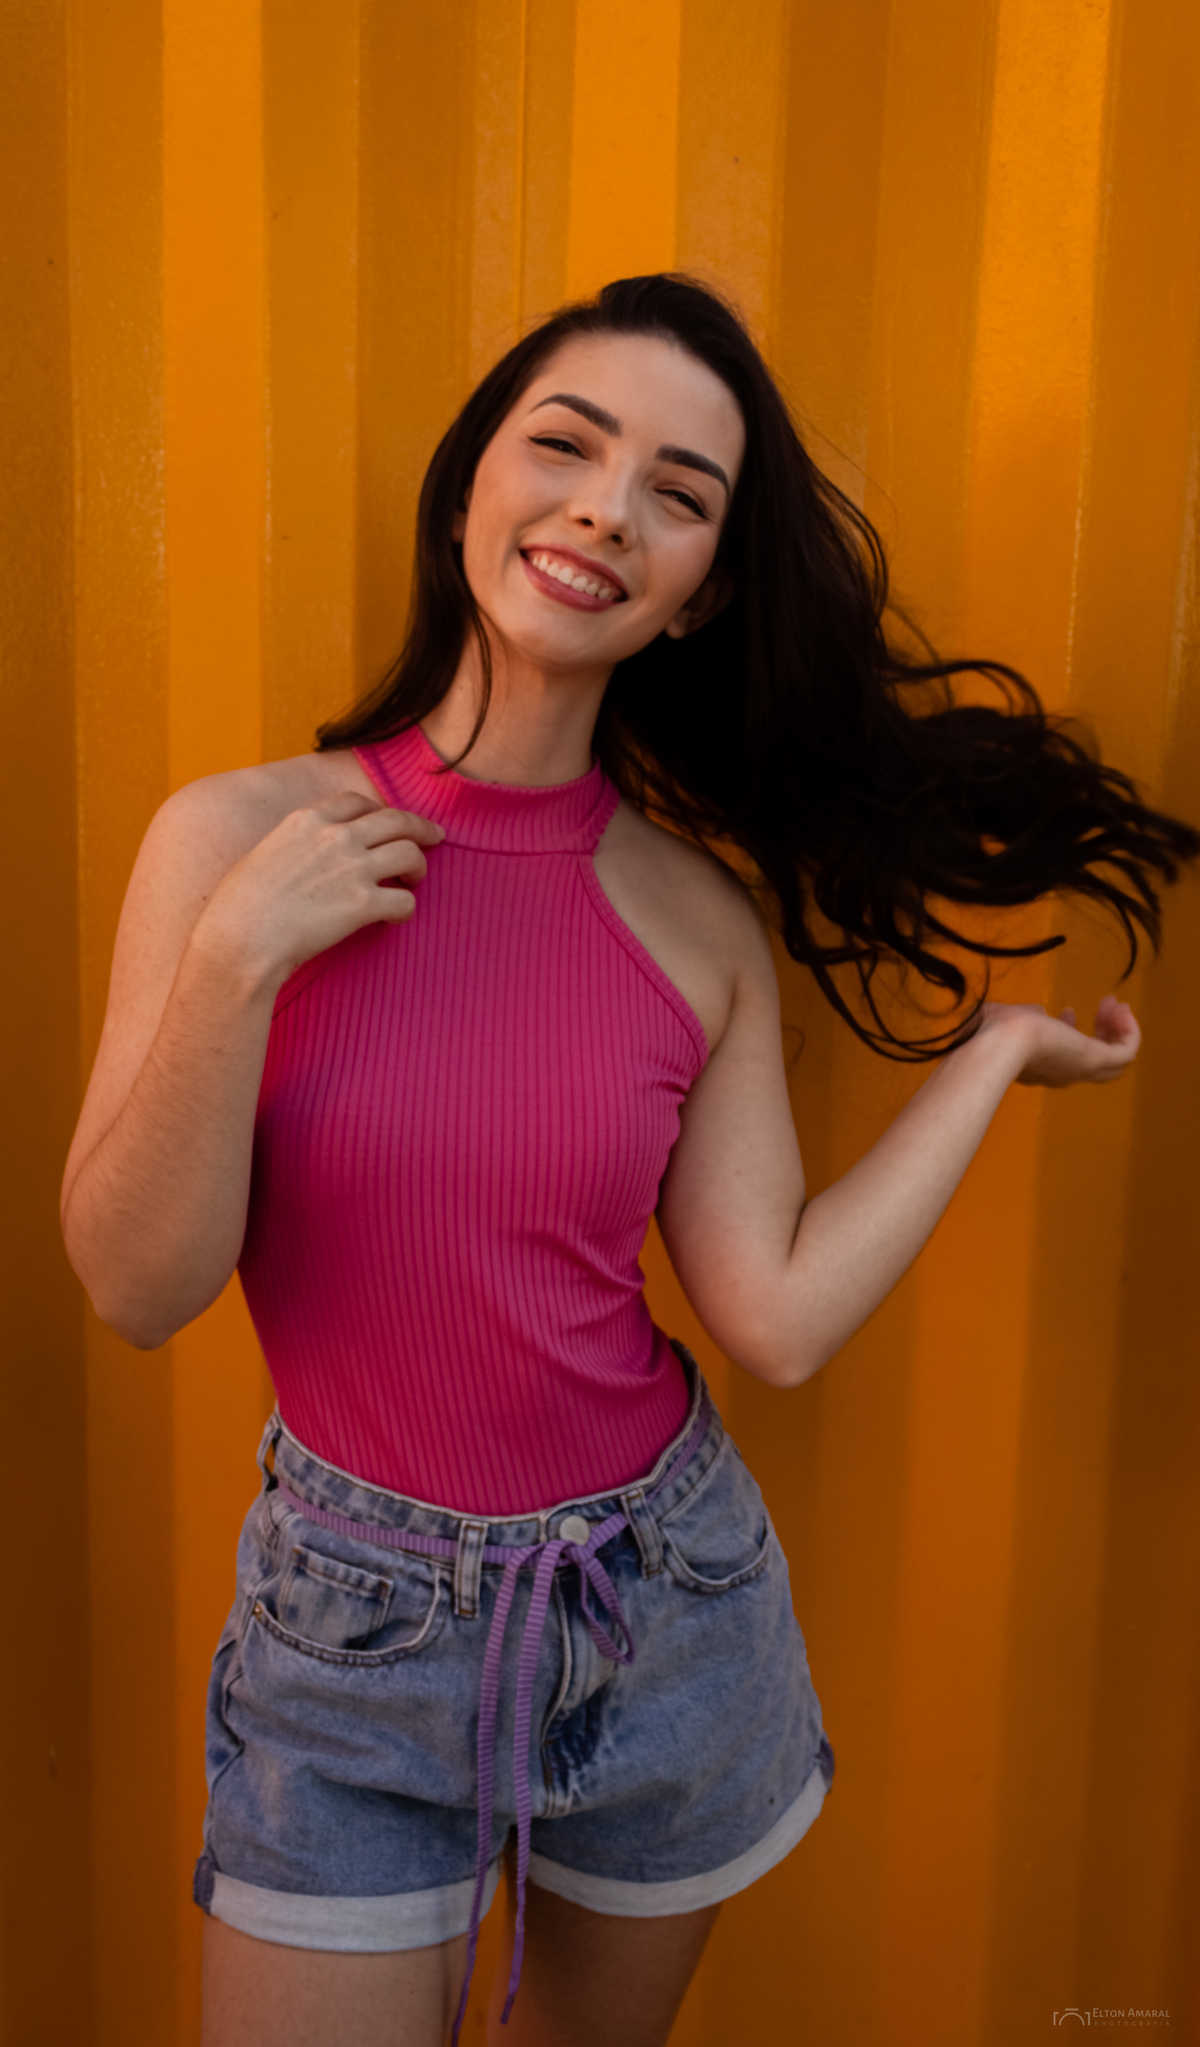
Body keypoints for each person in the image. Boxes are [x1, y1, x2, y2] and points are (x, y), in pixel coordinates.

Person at [61, 274, 1197, 2047]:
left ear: (703, 591)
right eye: (567, 447)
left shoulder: (696, 920)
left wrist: (987, 1062)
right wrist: (232, 965)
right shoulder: (233, 842)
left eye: (678, 493)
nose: (606, 510)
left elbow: (778, 1317)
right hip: (349, 1638)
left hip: (662, 1609)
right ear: (472, 486)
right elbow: (139, 1290)